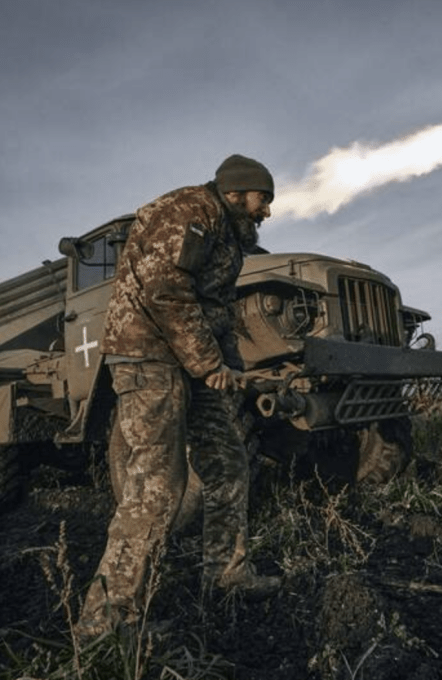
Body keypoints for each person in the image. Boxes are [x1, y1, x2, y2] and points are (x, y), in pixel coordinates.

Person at [78, 154, 279, 638]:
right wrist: (209, 364)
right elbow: (165, 291)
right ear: (235, 192)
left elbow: (218, 309)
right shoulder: (188, 212)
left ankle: (226, 573)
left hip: (190, 361)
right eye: (262, 199)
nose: (267, 211)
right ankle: (104, 619)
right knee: (158, 484)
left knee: (229, 463)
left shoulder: (228, 235)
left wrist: (228, 366)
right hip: (148, 355)